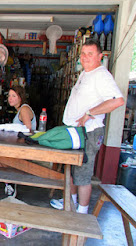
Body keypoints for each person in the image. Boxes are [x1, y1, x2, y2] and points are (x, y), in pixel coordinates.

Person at [50, 39, 124, 214]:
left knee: (83, 174)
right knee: (73, 170)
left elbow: (117, 101)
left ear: (100, 56)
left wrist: (90, 113)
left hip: (88, 132)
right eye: (83, 54)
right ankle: (71, 203)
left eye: (90, 54)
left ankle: (82, 213)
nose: (85, 57)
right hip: (76, 131)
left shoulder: (101, 75)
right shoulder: (85, 73)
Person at [0, 85, 36, 196]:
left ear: (20, 97)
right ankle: (10, 181)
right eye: (9, 96)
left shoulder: (24, 109)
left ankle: (10, 181)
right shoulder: (21, 110)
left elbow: (28, 129)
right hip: (18, 146)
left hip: (23, 149)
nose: (10, 98)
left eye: (14, 96)